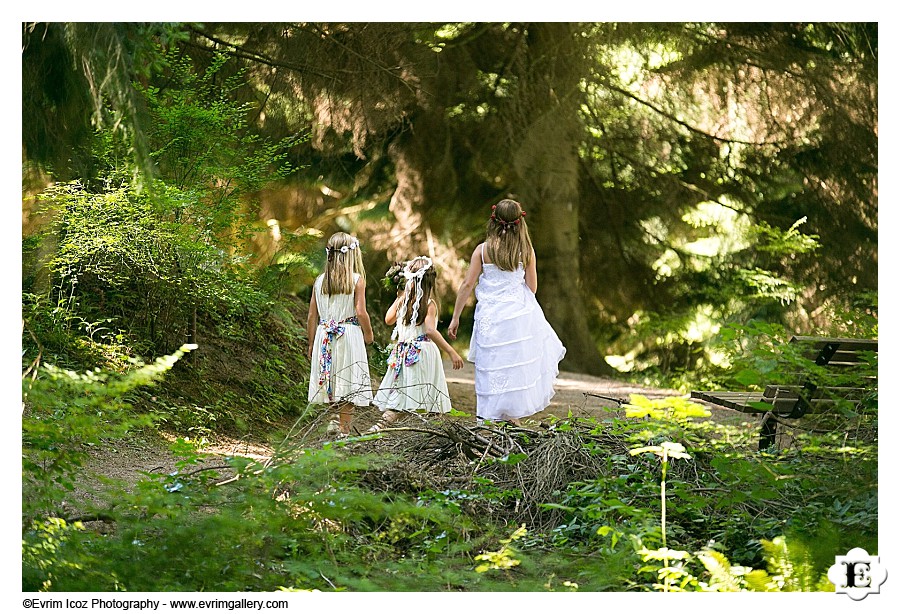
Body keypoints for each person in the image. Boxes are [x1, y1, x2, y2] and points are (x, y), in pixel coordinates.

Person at [448, 199, 566, 424]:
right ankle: (511, 416)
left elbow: (466, 285)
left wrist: (455, 318)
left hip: (489, 318)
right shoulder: (526, 251)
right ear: (520, 221)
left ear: (493, 221)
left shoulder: (482, 251)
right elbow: (532, 288)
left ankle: (490, 417)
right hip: (516, 317)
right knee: (513, 367)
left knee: (491, 366)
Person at [369, 256, 464, 431]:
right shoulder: (429, 304)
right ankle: (436, 436)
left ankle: (377, 428)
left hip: (403, 353)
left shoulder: (404, 301)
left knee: (400, 396)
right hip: (422, 353)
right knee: (431, 399)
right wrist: (451, 351)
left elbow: (388, 319)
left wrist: (400, 297)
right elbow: (429, 330)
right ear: (430, 281)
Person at [307, 232, 375, 437]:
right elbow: (361, 312)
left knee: (331, 378)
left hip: (324, 335)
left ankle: (333, 420)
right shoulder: (356, 280)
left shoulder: (319, 281)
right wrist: (369, 334)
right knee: (347, 381)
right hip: (348, 335)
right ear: (351, 255)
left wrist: (311, 343)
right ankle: (344, 430)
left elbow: (312, 315)